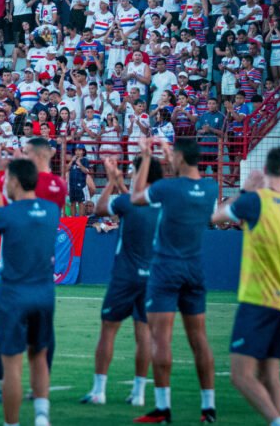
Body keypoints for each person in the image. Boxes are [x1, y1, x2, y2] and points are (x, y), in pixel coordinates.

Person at [211, 148, 280, 426]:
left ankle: (279, 423)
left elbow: (216, 217)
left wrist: (246, 190)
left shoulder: (256, 201)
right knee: (270, 375)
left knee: (241, 376)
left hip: (258, 298)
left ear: (265, 170)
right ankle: (279, 421)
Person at [130, 137, 218, 424]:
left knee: (161, 339)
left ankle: (163, 407)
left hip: (166, 267)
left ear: (179, 158)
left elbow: (136, 197)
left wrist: (145, 159)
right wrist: (174, 158)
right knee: (199, 339)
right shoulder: (209, 187)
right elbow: (184, 182)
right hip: (195, 268)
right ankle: (208, 407)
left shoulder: (167, 188)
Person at [0, 138, 68, 404]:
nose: (21, 154)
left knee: (12, 332)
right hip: (35, 268)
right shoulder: (51, 187)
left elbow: (10, 213)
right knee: (38, 335)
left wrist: (2, 175)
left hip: (21, 268)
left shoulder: (44, 185)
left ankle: (14, 386)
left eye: (26, 152)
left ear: (40, 155)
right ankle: (33, 395)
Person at [0, 158, 58, 426]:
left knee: (12, 366)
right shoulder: (51, 209)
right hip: (44, 294)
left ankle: (12, 423)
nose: (4, 183)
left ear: (17, 182)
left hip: (13, 296)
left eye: (7, 178)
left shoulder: (5, 215)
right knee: (39, 357)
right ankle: (42, 418)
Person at [81, 155, 161, 408]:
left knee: (108, 331)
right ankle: (138, 393)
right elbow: (134, 202)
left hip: (125, 276)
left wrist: (111, 183)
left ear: (142, 173)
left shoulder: (127, 201)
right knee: (144, 335)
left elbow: (101, 208)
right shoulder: (161, 203)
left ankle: (99, 390)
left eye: (133, 170)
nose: (130, 173)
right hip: (152, 277)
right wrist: (121, 185)